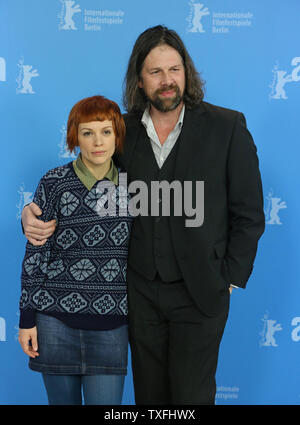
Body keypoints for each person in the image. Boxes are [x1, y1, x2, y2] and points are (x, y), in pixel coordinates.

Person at [21, 25, 265, 405]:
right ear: (140, 79)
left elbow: (249, 211)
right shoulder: (121, 130)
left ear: (187, 72)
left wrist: (231, 275)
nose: (167, 81)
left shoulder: (227, 126)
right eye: (156, 72)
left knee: (191, 396)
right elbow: (84, 181)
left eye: (175, 70)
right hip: (137, 294)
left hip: (201, 289)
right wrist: (29, 213)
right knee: (149, 397)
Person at [18, 95, 133, 405]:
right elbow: (36, 253)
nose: (98, 141)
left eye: (106, 131)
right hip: (54, 322)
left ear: (117, 135)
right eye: (87, 132)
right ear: (74, 137)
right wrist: (27, 317)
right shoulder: (54, 182)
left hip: (113, 323)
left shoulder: (133, 186)